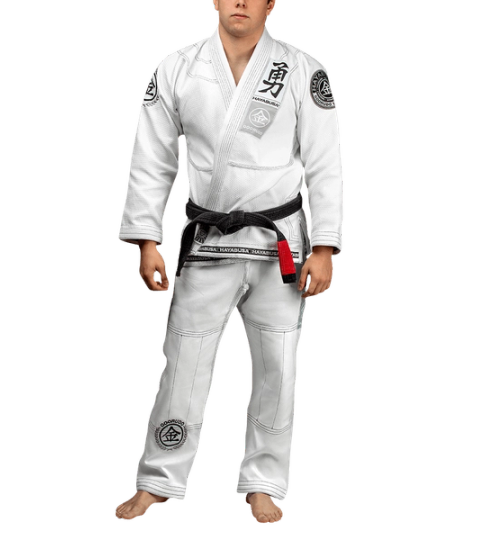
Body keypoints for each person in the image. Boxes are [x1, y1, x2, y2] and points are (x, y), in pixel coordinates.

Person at [113, 0, 343, 526]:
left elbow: (326, 161)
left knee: (277, 363)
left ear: (272, 3)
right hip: (207, 238)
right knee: (183, 360)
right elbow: (151, 158)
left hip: (279, 242)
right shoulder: (176, 67)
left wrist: (325, 247)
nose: (240, 1)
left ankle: (265, 482)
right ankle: (157, 478)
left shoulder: (302, 69)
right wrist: (147, 238)